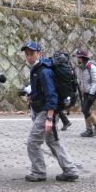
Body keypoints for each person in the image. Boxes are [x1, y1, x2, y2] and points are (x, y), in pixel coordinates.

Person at [21, 41, 79, 182]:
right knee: (52, 141)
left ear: (39, 54)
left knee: (33, 142)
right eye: (27, 54)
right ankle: (70, 170)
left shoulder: (44, 71)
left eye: (32, 53)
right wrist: (31, 96)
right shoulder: (37, 69)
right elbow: (41, 91)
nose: (29, 57)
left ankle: (38, 172)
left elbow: (51, 95)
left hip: (46, 112)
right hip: (44, 110)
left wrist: (49, 118)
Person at [75, 50, 96, 137]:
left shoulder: (91, 67)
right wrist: (78, 90)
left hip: (93, 92)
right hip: (85, 92)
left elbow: (95, 82)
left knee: (85, 110)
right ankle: (89, 130)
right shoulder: (79, 67)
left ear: (83, 58)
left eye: (79, 57)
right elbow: (79, 80)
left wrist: (91, 94)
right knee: (85, 110)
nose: (77, 58)